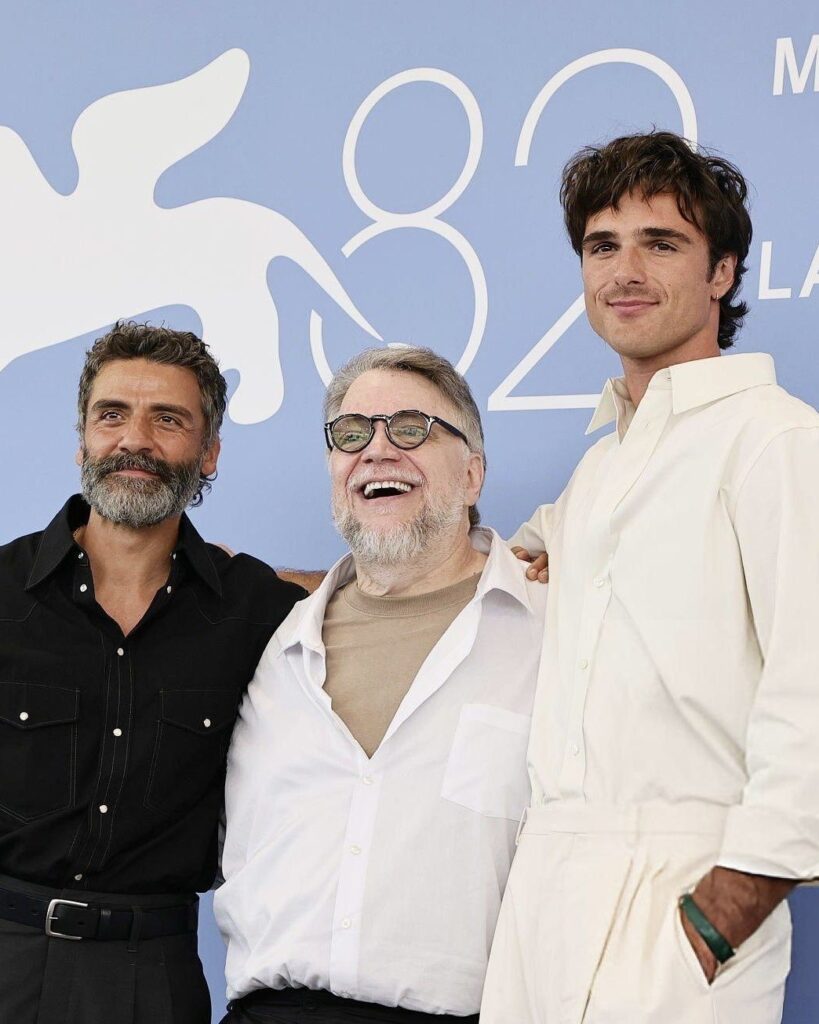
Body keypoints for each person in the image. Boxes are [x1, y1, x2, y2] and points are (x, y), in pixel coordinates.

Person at [481, 130, 819, 1024]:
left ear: (721, 273)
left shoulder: (776, 439)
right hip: (543, 888)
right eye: (602, 246)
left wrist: (729, 907)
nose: (623, 272)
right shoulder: (599, 467)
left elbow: (812, 678)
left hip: (686, 888)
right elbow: (480, 575)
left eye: (659, 243)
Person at [214, 346, 547, 1023]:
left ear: (472, 474)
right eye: (351, 433)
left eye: (411, 428)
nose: (376, 449)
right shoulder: (272, 642)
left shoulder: (554, 626)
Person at [0, 322, 305, 1024]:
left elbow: (373, 599)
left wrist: (515, 563)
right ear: (83, 440)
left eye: (167, 419)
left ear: (210, 451)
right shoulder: (2, 592)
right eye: (112, 415)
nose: (134, 440)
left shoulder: (256, 611)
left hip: (150, 978)